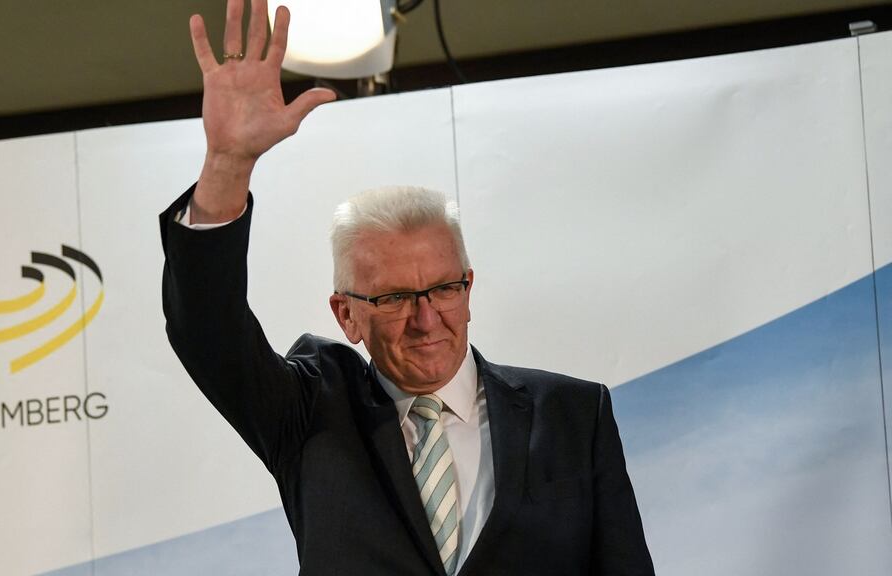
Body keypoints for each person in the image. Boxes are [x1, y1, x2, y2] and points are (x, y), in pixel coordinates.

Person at [160, 1, 654, 574]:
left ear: (468, 288)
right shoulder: (309, 414)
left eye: (442, 289)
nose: (425, 319)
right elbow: (207, 331)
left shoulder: (573, 415)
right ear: (346, 316)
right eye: (392, 298)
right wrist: (227, 163)